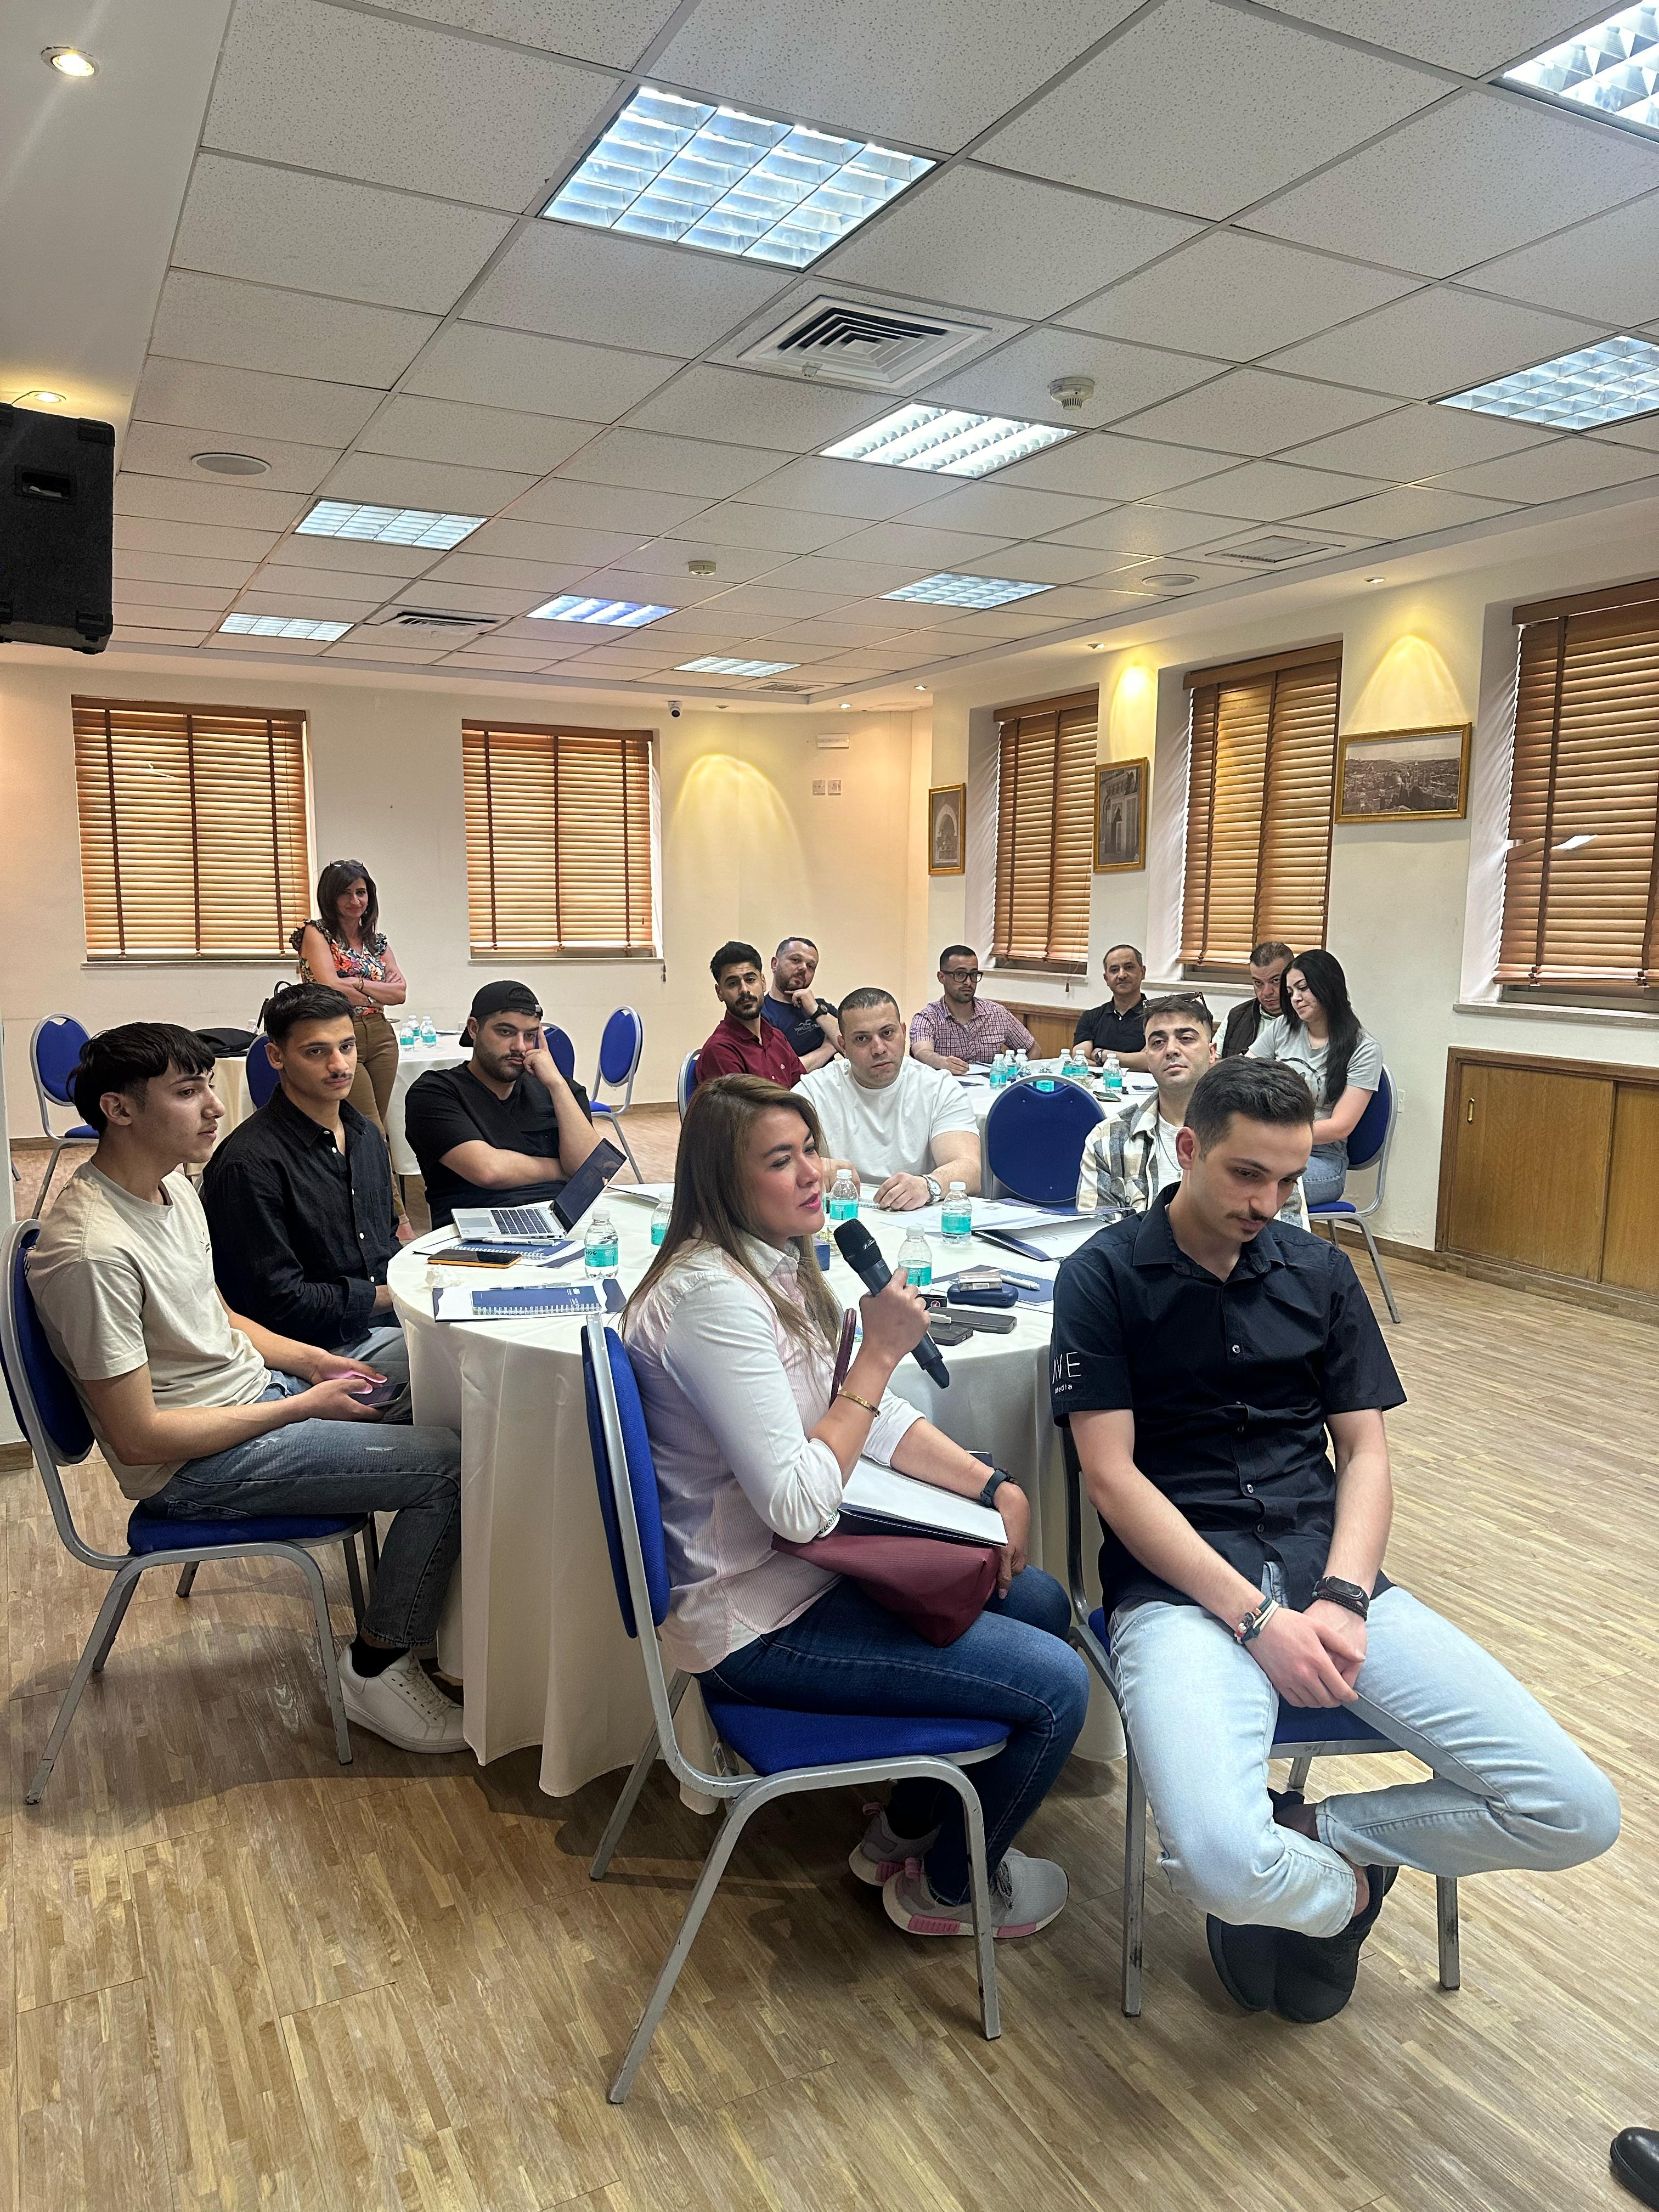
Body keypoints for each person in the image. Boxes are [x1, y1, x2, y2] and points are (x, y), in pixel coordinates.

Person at [1052, 1058, 1618, 2024]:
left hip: (1330, 1579)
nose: (1268, 1203)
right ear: (1186, 1149)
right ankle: (1337, 1897)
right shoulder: (1102, 1275)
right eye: (1245, 1175)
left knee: (1574, 1811)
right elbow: (1112, 1478)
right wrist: (1255, 1618)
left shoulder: (1318, 1272)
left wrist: (1346, 1595)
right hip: (1183, 1596)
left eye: (1285, 1179)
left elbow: (1363, 1452)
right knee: (1217, 1865)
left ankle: (1321, 1835)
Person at [620, 1073, 1089, 1938]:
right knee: (1061, 1688)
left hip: (803, 1575)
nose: (814, 1173)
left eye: (811, 1149)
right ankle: (947, 1890)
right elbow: (801, 1504)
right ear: (724, 1181)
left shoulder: (775, 1263)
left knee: (1042, 1601)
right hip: (756, 1621)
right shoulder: (712, 1299)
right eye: (780, 1160)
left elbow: (859, 1414)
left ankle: (903, 1829)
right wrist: (878, 1357)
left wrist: (993, 1487)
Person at [26, 1023, 467, 1753]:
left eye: (208, 1087)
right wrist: (302, 1405)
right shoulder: (92, 1252)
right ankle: (377, 1666)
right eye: (188, 1092)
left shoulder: (171, 1186)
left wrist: (312, 1364)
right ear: (119, 1109)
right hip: (193, 1467)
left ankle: (448, 1614)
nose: (215, 1108)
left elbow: (219, 1317)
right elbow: (140, 1438)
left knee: (445, 1368)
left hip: (257, 1395)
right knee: (448, 1466)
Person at [201, 984, 407, 1396]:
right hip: (308, 1354)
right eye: (316, 1052)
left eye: (347, 1047)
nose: (339, 1065)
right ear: (276, 1057)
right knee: (475, 1369)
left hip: (379, 1324)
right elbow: (278, 1303)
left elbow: (383, 1240)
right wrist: (395, 1295)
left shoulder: (365, 1134)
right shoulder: (249, 1164)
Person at [1075, 994, 1306, 1226]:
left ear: (1212, 1052)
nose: (1171, 1050)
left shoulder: (1263, 1136)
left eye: (1186, 1039)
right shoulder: (1108, 1139)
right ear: (1147, 1058)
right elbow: (1096, 1238)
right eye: (1158, 1042)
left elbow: (1290, 1238)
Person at [403, 981, 600, 1229]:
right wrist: (563, 1170)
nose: (520, 1047)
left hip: (562, 1220)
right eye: (506, 1032)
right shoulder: (435, 1092)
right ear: (474, 1029)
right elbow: (488, 1170)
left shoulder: (560, 1091)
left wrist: (557, 1084)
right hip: (478, 1227)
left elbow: (592, 1169)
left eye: (530, 1036)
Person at [798, 989, 980, 1210]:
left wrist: (928, 1185)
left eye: (887, 1034)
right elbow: (775, 1161)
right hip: (841, 1215)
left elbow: (969, 1169)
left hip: (916, 1216)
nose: (879, 1049)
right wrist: (816, 1165)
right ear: (843, 1046)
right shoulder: (813, 1091)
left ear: (903, 1033)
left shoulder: (939, 1088)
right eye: (862, 1039)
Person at [1247, 949, 1380, 1206]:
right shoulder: (1283, 1027)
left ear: (1328, 987)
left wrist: (1276, 1133)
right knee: (1221, 1171)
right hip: (1270, 1148)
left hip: (1322, 1158)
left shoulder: (1364, 1049)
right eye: (1290, 992)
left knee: (1253, 1185)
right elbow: (1244, 1073)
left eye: (1303, 988)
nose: (1295, 999)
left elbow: (1340, 1127)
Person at [292, 859, 407, 1141]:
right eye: (345, 893)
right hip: (337, 1033)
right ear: (330, 898)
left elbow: (400, 993)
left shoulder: (377, 941)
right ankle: (379, 1173)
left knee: (373, 1124)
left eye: (361, 892)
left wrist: (356, 983)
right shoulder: (317, 933)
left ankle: (363, 1169)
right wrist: (377, 993)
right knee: (369, 1127)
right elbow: (331, 987)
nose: (355, 901)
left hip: (381, 1035)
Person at [909, 947, 1036, 1073]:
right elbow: (922, 1052)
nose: (969, 983)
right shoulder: (928, 1018)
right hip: (947, 1084)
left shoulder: (997, 1014)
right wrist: (941, 1062)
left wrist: (1017, 1077)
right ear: (942, 977)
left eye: (974, 975)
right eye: (960, 974)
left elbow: (1033, 1049)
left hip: (992, 1084)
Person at [697, 941, 805, 1086]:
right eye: (733, 983)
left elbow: (804, 1088)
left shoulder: (777, 1038)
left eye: (750, 980)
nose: (744, 990)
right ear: (720, 993)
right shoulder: (719, 1050)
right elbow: (742, 1103)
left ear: (763, 982)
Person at [763, 936, 842, 1073]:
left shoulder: (822, 1007)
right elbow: (783, 1072)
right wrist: (829, 1047)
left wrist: (816, 1011)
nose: (804, 968)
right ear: (775, 964)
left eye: (811, 966)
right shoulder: (761, 1014)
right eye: (796, 960)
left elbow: (853, 1049)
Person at [1072, 944, 1153, 1070]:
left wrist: (1103, 1055)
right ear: (1106, 979)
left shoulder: (1156, 1016)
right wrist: (1133, 1061)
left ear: (1142, 972)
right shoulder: (1091, 1017)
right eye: (1114, 970)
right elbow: (1080, 1058)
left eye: (1129, 967)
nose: (1122, 975)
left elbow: (1152, 1060)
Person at [1221, 941, 1294, 1059]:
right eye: (1258, 983)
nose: (1267, 992)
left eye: (1276, 981)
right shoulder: (1237, 1016)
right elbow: (1212, 1063)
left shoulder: (1307, 1020)